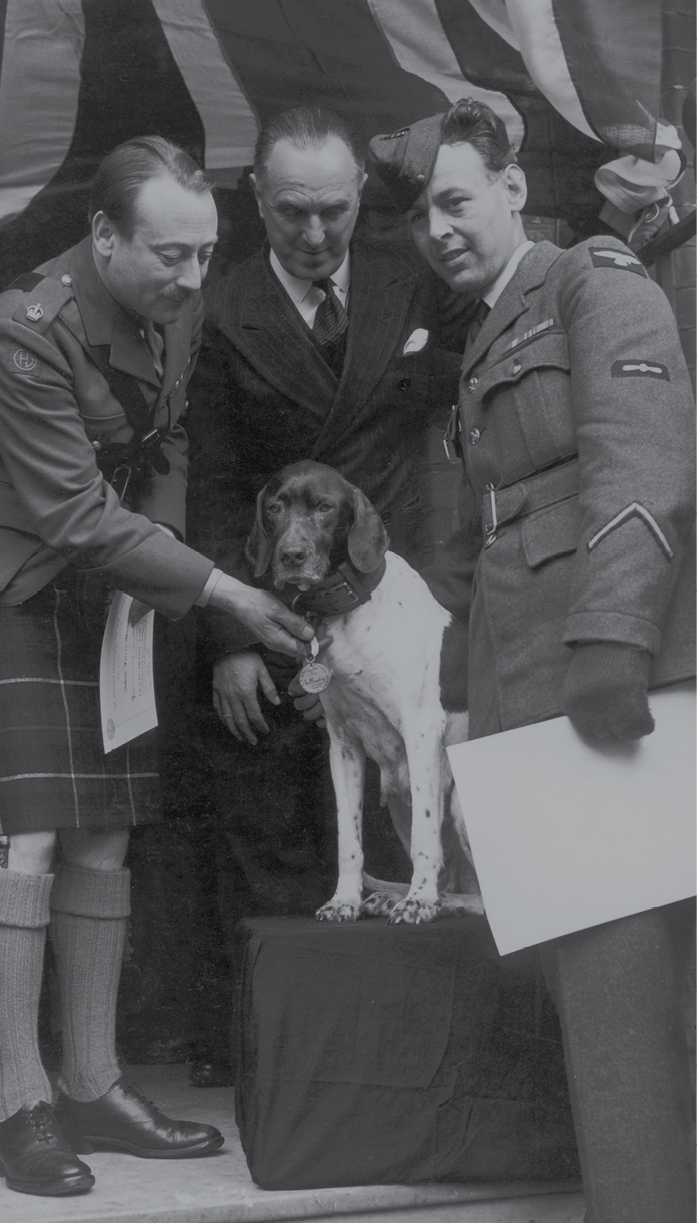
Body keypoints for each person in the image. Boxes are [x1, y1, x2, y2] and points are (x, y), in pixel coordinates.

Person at [0, 135, 313, 1197]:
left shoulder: (178, 297)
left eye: (204, 254)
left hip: (109, 588)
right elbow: (73, 510)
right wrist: (223, 592)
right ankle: (20, 1105)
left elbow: (158, 452)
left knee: (106, 829)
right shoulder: (13, 333)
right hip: (4, 586)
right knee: (26, 832)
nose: (190, 276)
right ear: (102, 234)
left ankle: (91, 1080)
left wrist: (154, 588)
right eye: (168, 254)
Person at [368, 98, 695, 1223]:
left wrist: (612, 635)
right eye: (419, 216)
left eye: (455, 200)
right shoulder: (485, 332)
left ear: (511, 188)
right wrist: (464, 695)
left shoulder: (591, 278)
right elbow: (488, 535)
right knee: (599, 999)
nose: (439, 229)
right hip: (533, 697)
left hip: (603, 684)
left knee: (626, 996)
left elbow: (640, 462)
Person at [184, 106, 473, 1085]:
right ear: (255, 199)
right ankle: (285, 1072)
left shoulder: (408, 272)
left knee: (409, 824)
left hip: (387, 602)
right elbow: (215, 481)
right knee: (271, 830)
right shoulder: (219, 311)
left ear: (362, 198)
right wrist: (224, 633)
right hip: (270, 612)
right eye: (291, 213)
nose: (314, 236)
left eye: (335, 212)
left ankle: (392, 1075)